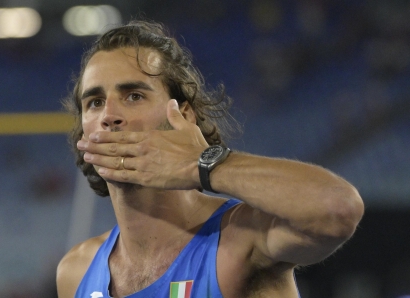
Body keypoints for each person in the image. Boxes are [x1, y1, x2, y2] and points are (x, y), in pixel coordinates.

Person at [56, 20, 364, 298]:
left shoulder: (241, 238)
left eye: (134, 96)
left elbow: (337, 209)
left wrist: (205, 161)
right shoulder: (76, 271)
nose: (109, 116)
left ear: (184, 115)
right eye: (94, 102)